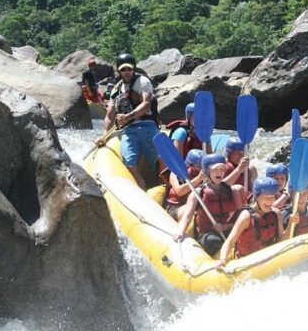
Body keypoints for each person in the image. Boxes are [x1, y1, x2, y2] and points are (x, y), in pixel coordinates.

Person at [95, 53, 160, 190]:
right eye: (123, 70)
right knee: (129, 161)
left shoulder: (142, 81)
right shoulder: (116, 90)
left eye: (129, 69)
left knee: (156, 160)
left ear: (134, 69)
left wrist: (128, 116)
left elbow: (146, 104)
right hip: (129, 130)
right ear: (119, 71)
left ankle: (160, 184)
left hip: (148, 126)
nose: (127, 72)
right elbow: (110, 115)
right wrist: (105, 134)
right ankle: (140, 183)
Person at [174, 154, 245, 255]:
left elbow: (240, 216)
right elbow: (187, 216)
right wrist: (180, 232)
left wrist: (226, 227)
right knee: (212, 241)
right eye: (216, 169)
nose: (220, 172)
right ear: (207, 172)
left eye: (222, 169)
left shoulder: (230, 190)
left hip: (227, 229)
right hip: (207, 234)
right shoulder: (198, 193)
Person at [216, 177, 294, 268]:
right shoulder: (246, 216)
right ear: (256, 197)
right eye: (266, 197)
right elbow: (230, 241)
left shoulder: (276, 213)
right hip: (246, 262)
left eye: (272, 197)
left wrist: (290, 224)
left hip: (269, 261)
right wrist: (223, 260)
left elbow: (281, 240)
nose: (270, 201)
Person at [164, 149, 205, 221]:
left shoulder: (204, 176)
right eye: (199, 166)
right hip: (174, 208)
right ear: (190, 165)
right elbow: (179, 192)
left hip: (193, 206)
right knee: (193, 208)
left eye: (203, 166)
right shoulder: (175, 173)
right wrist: (198, 179)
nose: (201, 169)